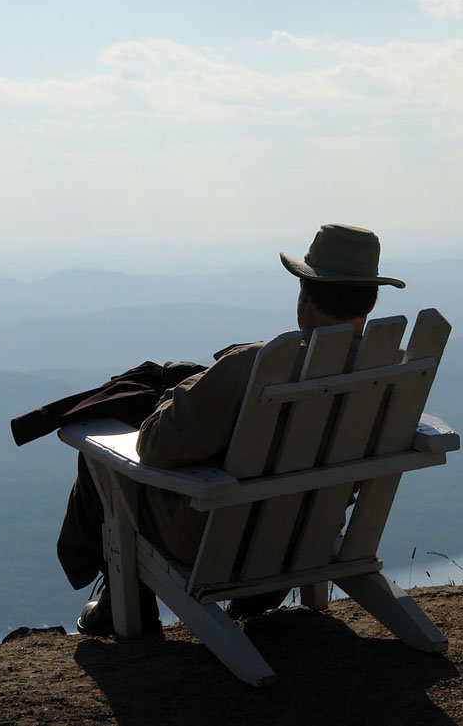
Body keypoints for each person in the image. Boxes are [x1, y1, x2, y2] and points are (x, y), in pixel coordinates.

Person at [59, 223, 406, 636]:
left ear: (305, 294)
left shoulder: (253, 366)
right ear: (369, 300)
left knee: (99, 460)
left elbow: (155, 445)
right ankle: (260, 595)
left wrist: (178, 392)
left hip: (219, 541)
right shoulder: (386, 374)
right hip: (312, 529)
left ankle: (123, 604)